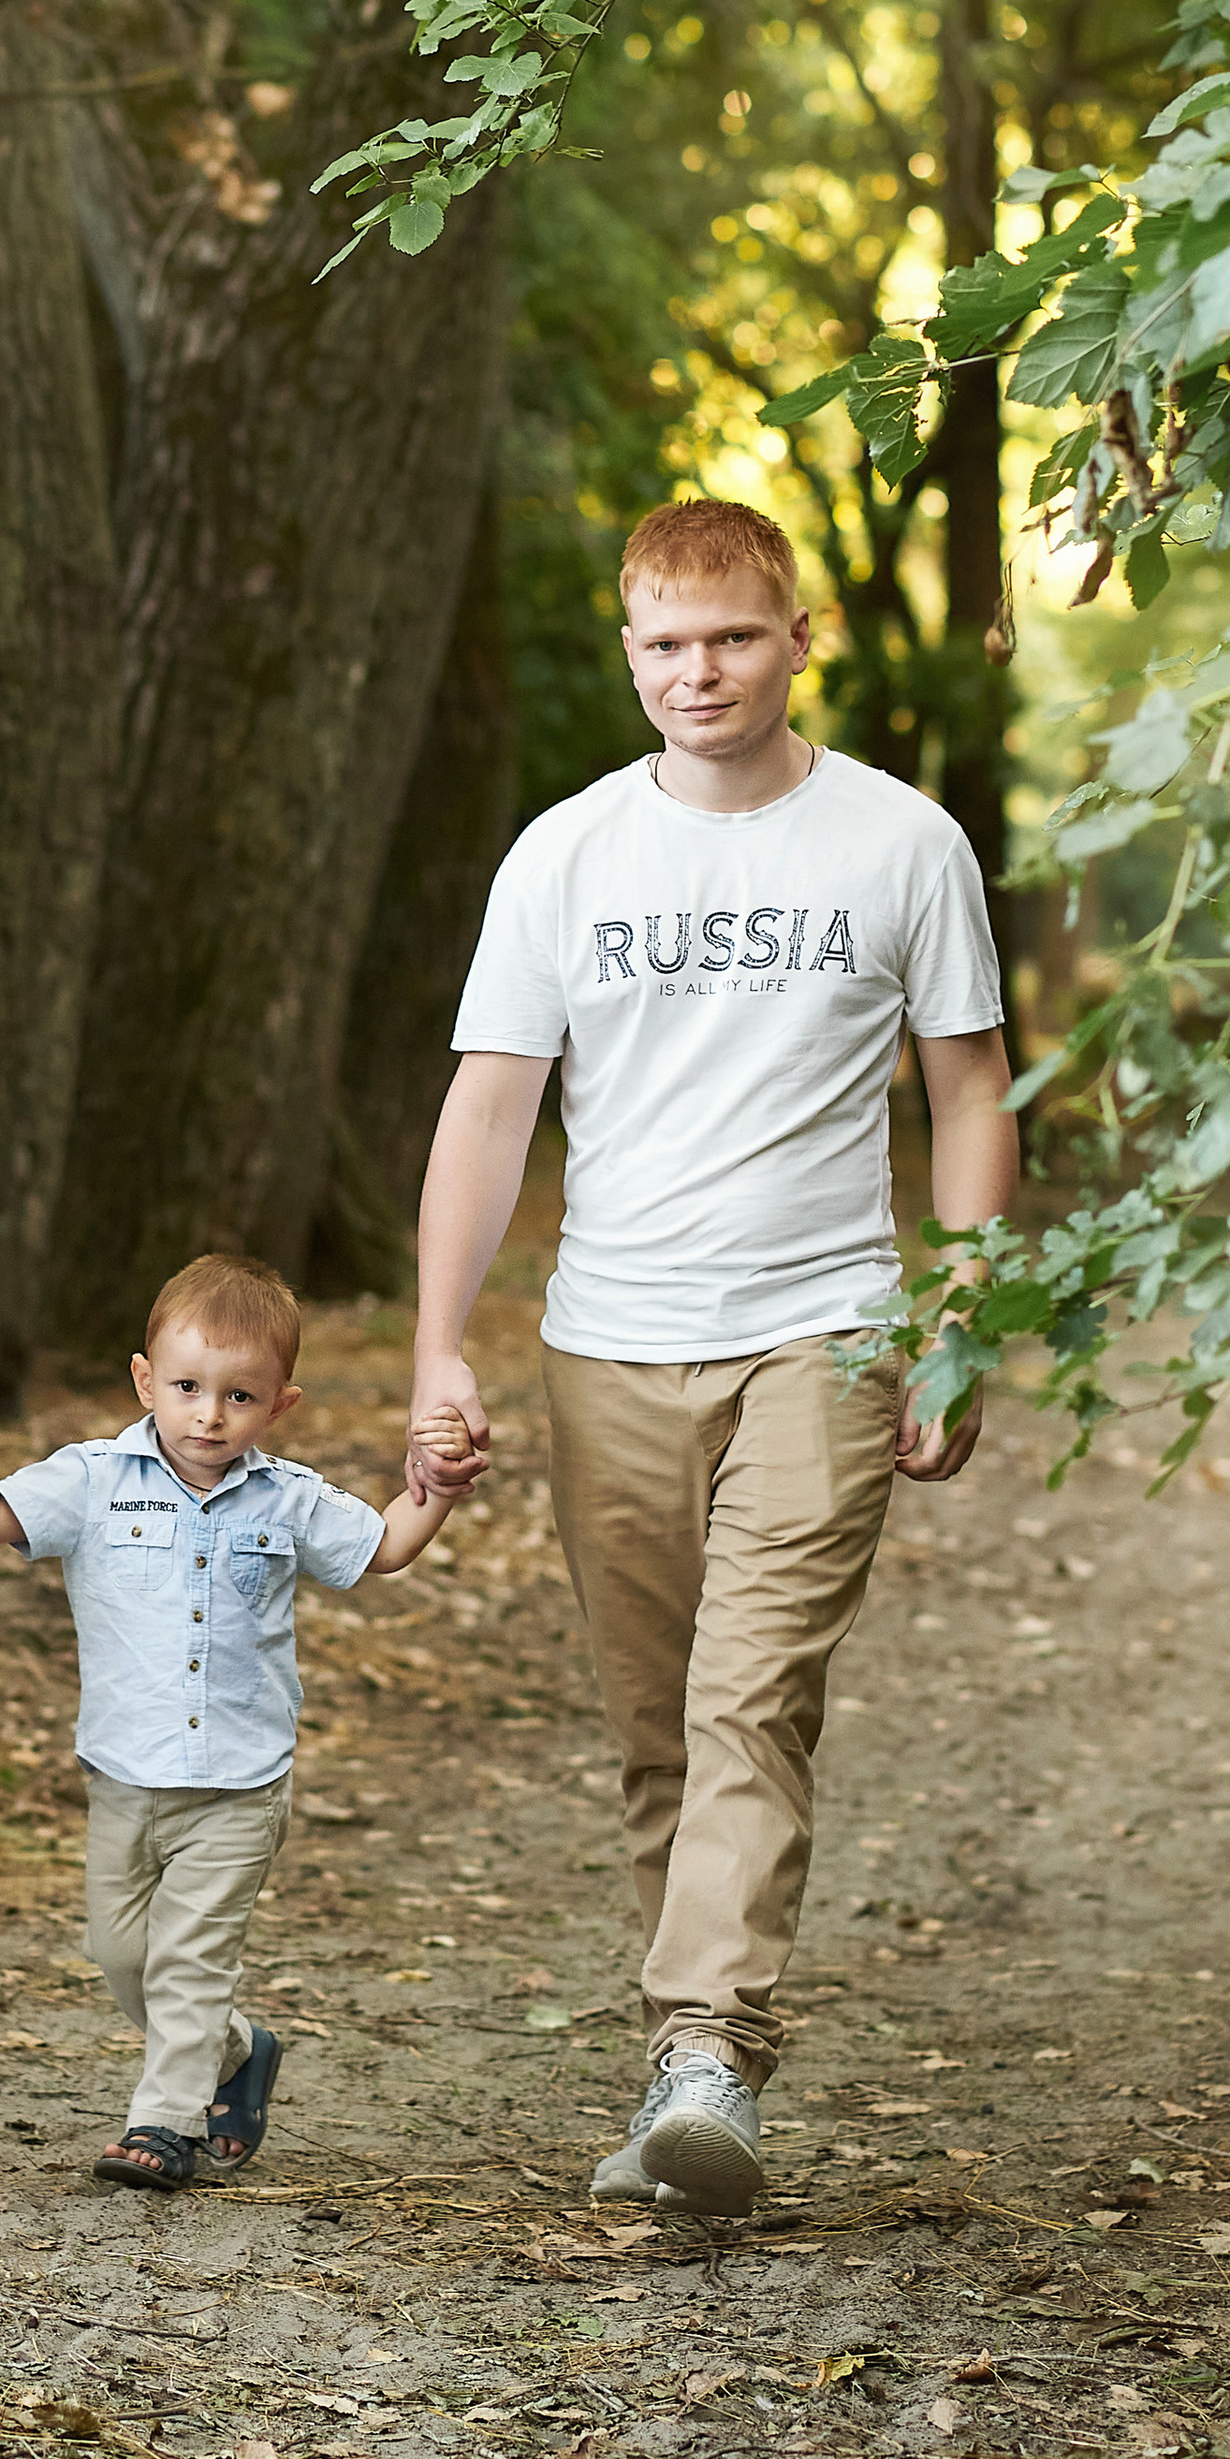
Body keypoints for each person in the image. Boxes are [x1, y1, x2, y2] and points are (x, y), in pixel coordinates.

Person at [408, 496, 1017, 2217]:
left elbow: (968, 1089)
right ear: (629, 651)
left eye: (734, 636)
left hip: (821, 1328)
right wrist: (441, 1341)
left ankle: (703, 2053)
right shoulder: (567, 853)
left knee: (754, 1695)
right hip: (608, 1340)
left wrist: (958, 1316)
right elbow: (489, 1105)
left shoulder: (901, 843)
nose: (700, 669)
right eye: (667, 642)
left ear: (797, 635)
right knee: (659, 1729)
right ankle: (694, 2057)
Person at [0, 1254, 458, 2191]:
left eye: (239, 1396)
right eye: (187, 1388)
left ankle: (163, 2120)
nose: (209, 1415)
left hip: (238, 1783)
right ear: (146, 1381)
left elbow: (383, 1550)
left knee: (188, 1957)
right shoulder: (94, 1480)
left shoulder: (287, 1497)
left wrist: (439, 1490)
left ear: (279, 1405)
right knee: (120, 1954)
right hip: (125, 1775)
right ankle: (238, 2051)